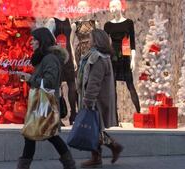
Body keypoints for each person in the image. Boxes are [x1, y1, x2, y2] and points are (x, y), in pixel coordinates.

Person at [17, 27, 76, 169]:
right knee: (47, 135)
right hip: (40, 103)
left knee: (37, 135)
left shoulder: (50, 59)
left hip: (45, 104)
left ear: (41, 41)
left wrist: (31, 78)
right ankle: (69, 164)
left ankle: (24, 166)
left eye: (34, 40)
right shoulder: (44, 58)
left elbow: (50, 82)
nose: (31, 42)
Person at [77, 29, 123, 168]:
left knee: (94, 128)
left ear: (96, 40)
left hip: (95, 99)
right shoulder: (101, 56)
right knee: (95, 128)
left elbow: (94, 82)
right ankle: (104, 152)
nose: (88, 40)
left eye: (90, 38)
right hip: (96, 98)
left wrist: (88, 100)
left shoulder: (97, 58)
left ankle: (104, 152)